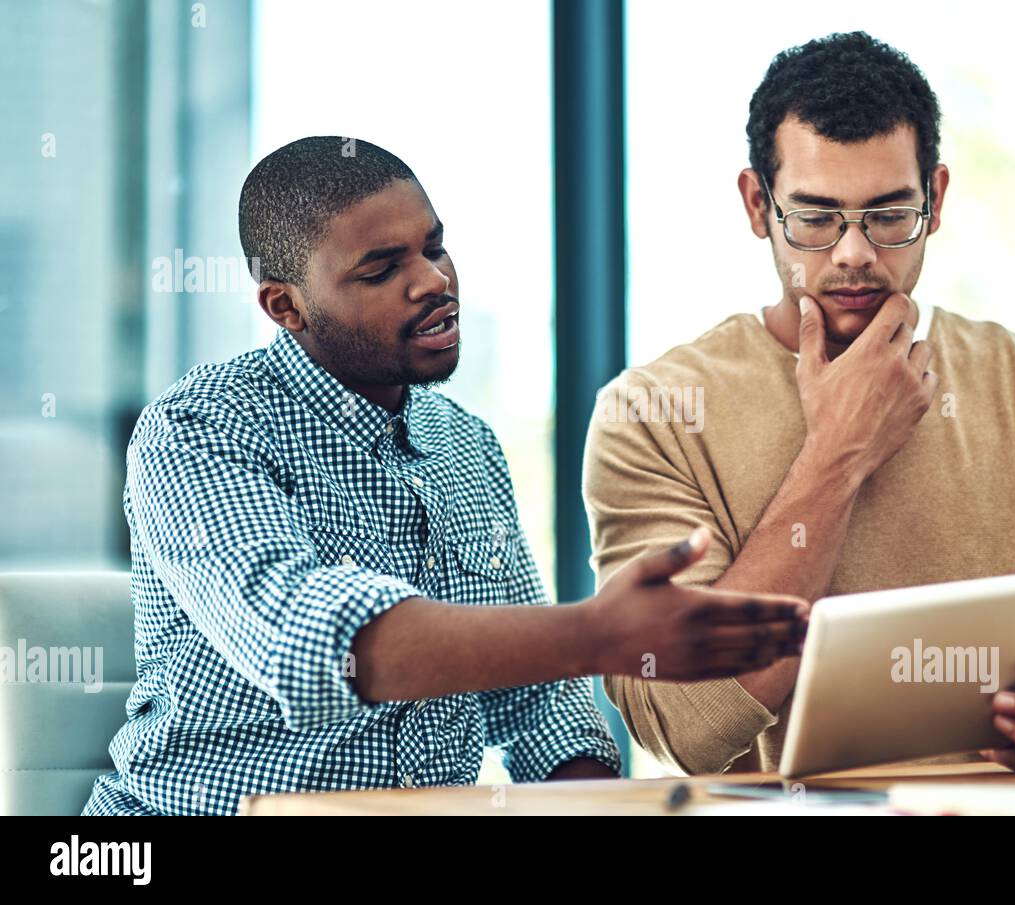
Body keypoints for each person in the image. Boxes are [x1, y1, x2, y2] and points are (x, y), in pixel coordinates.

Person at [85, 137, 807, 815]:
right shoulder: (200, 428)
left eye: (435, 247)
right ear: (286, 306)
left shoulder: (466, 444)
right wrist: (598, 634)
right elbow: (321, 645)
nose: (433, 281)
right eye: (382, 269)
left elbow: (540, 706)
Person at [584, 33, 1015, 776]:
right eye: (817, 217)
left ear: (937, 198)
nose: (855, 254)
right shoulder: (650, 413)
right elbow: (684, 723)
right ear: (758, 204)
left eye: (890, 214)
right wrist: (839, 451)